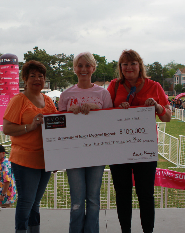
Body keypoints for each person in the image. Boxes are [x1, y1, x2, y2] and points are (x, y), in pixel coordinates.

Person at [107, 49, 171, 233]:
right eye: (124, 64)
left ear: (139, 65)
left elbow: (167, 117)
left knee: (145, 194)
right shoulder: (114, 86)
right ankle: (125, 230)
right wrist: (118, 109)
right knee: (123, 193)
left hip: (145, 148)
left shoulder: (154, 86)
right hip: (119, 147)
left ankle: (147, 231)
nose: (129, 67)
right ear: (120, 67)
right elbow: (104, 114)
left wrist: (158, 106)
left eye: (133, 63)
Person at [58, 52, 113, 233]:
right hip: (73, 154)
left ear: (93, 68)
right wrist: (68, 114)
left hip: (97, 153)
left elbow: (112, 124)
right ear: (74, 69)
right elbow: (59, 127)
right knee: (76, 201)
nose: (83, 69)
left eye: (87, 66)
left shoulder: (103, 94)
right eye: (80, 65)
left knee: (93, 200)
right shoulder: (66, 95)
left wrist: (97, 110)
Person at [3, 60, 57, 233]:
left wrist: (59, 157)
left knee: (35, 202)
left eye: (40, 76)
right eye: (32, 76)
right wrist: (30, 126)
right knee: (26, 201)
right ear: (25, 79)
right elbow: (7, 128)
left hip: (46, 160)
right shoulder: (19, 100)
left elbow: (58, 128)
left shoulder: (48, 100)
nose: (37, 79)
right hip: (24, 160)